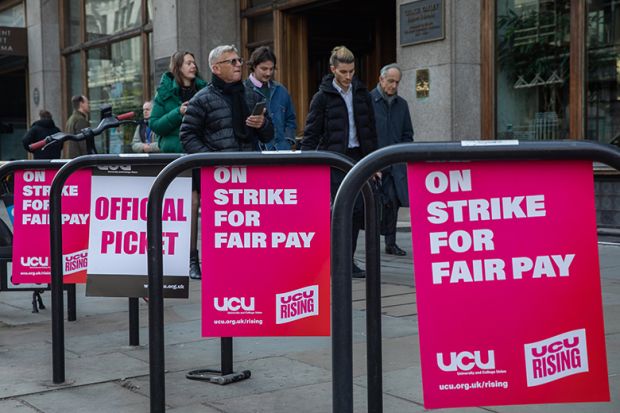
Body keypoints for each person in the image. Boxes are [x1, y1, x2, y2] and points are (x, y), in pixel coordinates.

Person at [301, 45, 378, 278]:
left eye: (352, 72)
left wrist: (375, 162)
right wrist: (306, 164)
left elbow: (370, 129)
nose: (348, 77)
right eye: (343, 72)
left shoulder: (362, 93)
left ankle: (347, 259)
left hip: (358, 157)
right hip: (334, 159)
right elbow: (311, 133)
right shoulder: (322, 97)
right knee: (337, 210)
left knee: (356, 211)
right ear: (333, 69)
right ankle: (329, 257)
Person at [150, 50, 207, 279]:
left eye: (194, 62)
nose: (193, 66)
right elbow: (155, 125)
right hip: (177, 158)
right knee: (191, 205)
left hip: (202, 153)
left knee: (211, 204)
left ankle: (213, 257)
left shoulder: (204, 89)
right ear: (178, 66)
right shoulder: (165, 92)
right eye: (188, 62)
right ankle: (192, 259)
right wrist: (179, 112)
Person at [180, 44, 273, 153]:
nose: (238, 64)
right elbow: (187, 136)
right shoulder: (201, 100)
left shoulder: (253, 96)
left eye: (239, 60)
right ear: (216, 68)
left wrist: (262, 124)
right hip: (218, 168)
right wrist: (210, 159)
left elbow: (268, 136)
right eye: (233, 62)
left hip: (249, 165)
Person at [370, 64, 414, 256]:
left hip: (395, 162)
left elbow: (408, 134)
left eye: (397, 82)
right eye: (390, 81)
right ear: (381, 80)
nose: (394, 86)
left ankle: (391, 242)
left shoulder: (402, 105)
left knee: (393, 203)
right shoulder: (368, 101)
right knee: (375, 203)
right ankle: (371, 243)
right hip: (374, 161)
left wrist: (403, 156)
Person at [244, 46, 296, 150]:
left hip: (282, 151)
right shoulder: (243, 91)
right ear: (254, 66)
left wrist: (288, 141)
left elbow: (290, 118)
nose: (268, 73)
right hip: (256, 153)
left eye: (271, 69)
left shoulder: (281, 90)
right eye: (264, 69)